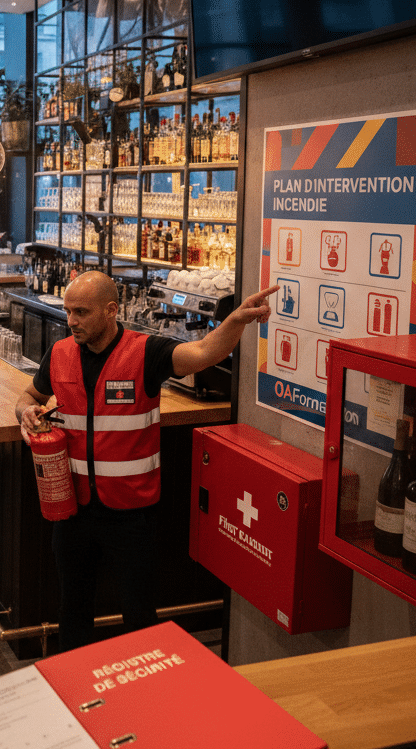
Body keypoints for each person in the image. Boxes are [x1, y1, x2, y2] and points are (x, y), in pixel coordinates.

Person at [15, 272, 277, 652]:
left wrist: (235, 320)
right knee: (72, 610)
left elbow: (205, 352)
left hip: (131, 515)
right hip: (74, 511)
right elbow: (28, 396)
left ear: (111, 310)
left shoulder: (146, 352)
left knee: (139, 615)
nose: (71, 320)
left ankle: (145, 685)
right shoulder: (59, 354)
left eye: (81, 312)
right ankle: (71, 683)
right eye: (69, 311)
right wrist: (25, 412)